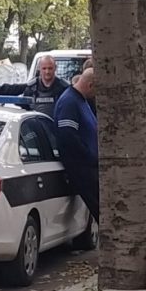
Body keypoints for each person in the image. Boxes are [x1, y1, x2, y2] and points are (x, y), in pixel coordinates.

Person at [52, 68, 99, 221]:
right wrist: (88, 155)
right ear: (90, 85)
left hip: (89, 165)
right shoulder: (69, 102)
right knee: (100, 207)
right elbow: (67, 135)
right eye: (96, 89)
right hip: (81, 167)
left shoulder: (81, 100)